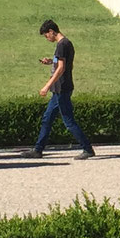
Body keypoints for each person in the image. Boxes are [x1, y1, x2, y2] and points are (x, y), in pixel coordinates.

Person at [32, 18, 95, 160]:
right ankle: (38, 150)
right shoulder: (66, 43)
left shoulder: (62, 45)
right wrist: (50, 61)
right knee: (47, 119)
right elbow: (60, 62)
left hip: (61, 88)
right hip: (59, 89)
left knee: (68, 121)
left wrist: (47, 85)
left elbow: (61, 68)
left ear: (51, 31)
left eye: (46, 35)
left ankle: (87, 148)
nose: (46, 38)